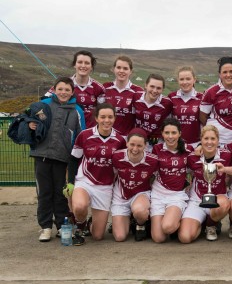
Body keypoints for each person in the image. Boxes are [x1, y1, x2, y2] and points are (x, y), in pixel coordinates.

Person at [30, 77, 85, 242]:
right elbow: (27, 119)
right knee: (45, 193)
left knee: (61, 194)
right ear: (54, 89)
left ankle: (62, 225)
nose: (63, 92)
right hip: (42, 156)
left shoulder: (77, 110)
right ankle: (45, 227)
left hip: (63, 158)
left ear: (72, 92)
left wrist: (76, 159)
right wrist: (29, 125)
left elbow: (81, 136)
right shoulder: (43, 104)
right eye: (60, 89)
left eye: (67, 90)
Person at [69, 103, 126, 245]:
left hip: (105, 186)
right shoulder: (85, 135)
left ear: (115, 118)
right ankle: (79, 226)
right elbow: (74, 159)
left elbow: (122, 166)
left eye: (110, 117)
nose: (107, 120)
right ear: (96, 118)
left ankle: (89, 224)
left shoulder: (120, 140)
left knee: (98, 236)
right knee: (80, 206)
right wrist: (70, 182)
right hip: (85, 181)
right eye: (103, 117)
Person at [178, 125, 232, 243]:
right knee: (185, 238)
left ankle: (211, 225)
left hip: (218, 198)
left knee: (223, 204)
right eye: (206, 138)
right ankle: (202, 224)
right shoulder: (192, 157)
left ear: (218, 140)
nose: (209, 142)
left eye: (213, 139)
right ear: (201, 140)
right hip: (197, 200)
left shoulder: (226, 155)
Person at [150, 118, 193, 243]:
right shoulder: (156, 149)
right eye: (167, 133)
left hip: (177, 195)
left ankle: (180, 220)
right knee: (158, 238)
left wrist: (190, 183)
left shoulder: (188, 149)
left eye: (174, 133)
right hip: (158, 194)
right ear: (162, 134)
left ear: (179, 133)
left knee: (168, 227)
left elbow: (196, 168)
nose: (170, 136)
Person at [111, 128, 158, 242]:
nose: (135, 149)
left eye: (139, 145)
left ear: (145, 146)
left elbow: (158, 179)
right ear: (126, 143)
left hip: (140, 193)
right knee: (120, 237)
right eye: (132, 144)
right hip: (121, 196)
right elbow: (111, 176)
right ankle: (130, 221)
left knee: (140, 211)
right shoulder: (117, 157)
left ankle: (140, 224)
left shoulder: (153, 160)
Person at [45, 50, 105, 128]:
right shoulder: (63, 84)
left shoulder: (99, 88)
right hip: (67, 132)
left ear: (91, 67)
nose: (83, 66)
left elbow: (103, 112)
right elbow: (44, 101)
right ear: (74, 65)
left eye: (87, 63)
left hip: (90, 133)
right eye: (80, 62)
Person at [200, 57, 232, 146]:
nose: (228, 75)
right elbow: (202, 117)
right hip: (217, 140)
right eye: (225, 72)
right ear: (220, 74)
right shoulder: (211, 92)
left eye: (231, 71)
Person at [103, 55, 144, 136]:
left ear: (130, 71)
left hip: (127, 139)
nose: (121, 71)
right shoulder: (105, 88)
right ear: (113, 69)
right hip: (106, 136)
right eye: (118, 67)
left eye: (125, 68)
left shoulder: (138, 91)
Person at [134, 74, 172, 150]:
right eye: (152, 86)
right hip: (138, 141)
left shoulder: (167, 103)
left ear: (162, 89)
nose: (155, 91)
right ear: (146, 85)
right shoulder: (135, 97)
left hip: (156, 143)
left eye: (158, 88)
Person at [168, 66, 203, 147]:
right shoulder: (171, 97)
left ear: (194, 79)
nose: (185, 82)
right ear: (178, 80)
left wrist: (201, 144)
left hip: (196, 144)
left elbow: (205, 123)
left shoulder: (202, 97)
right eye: (182, 79)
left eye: (188, 79)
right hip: (176, 144)